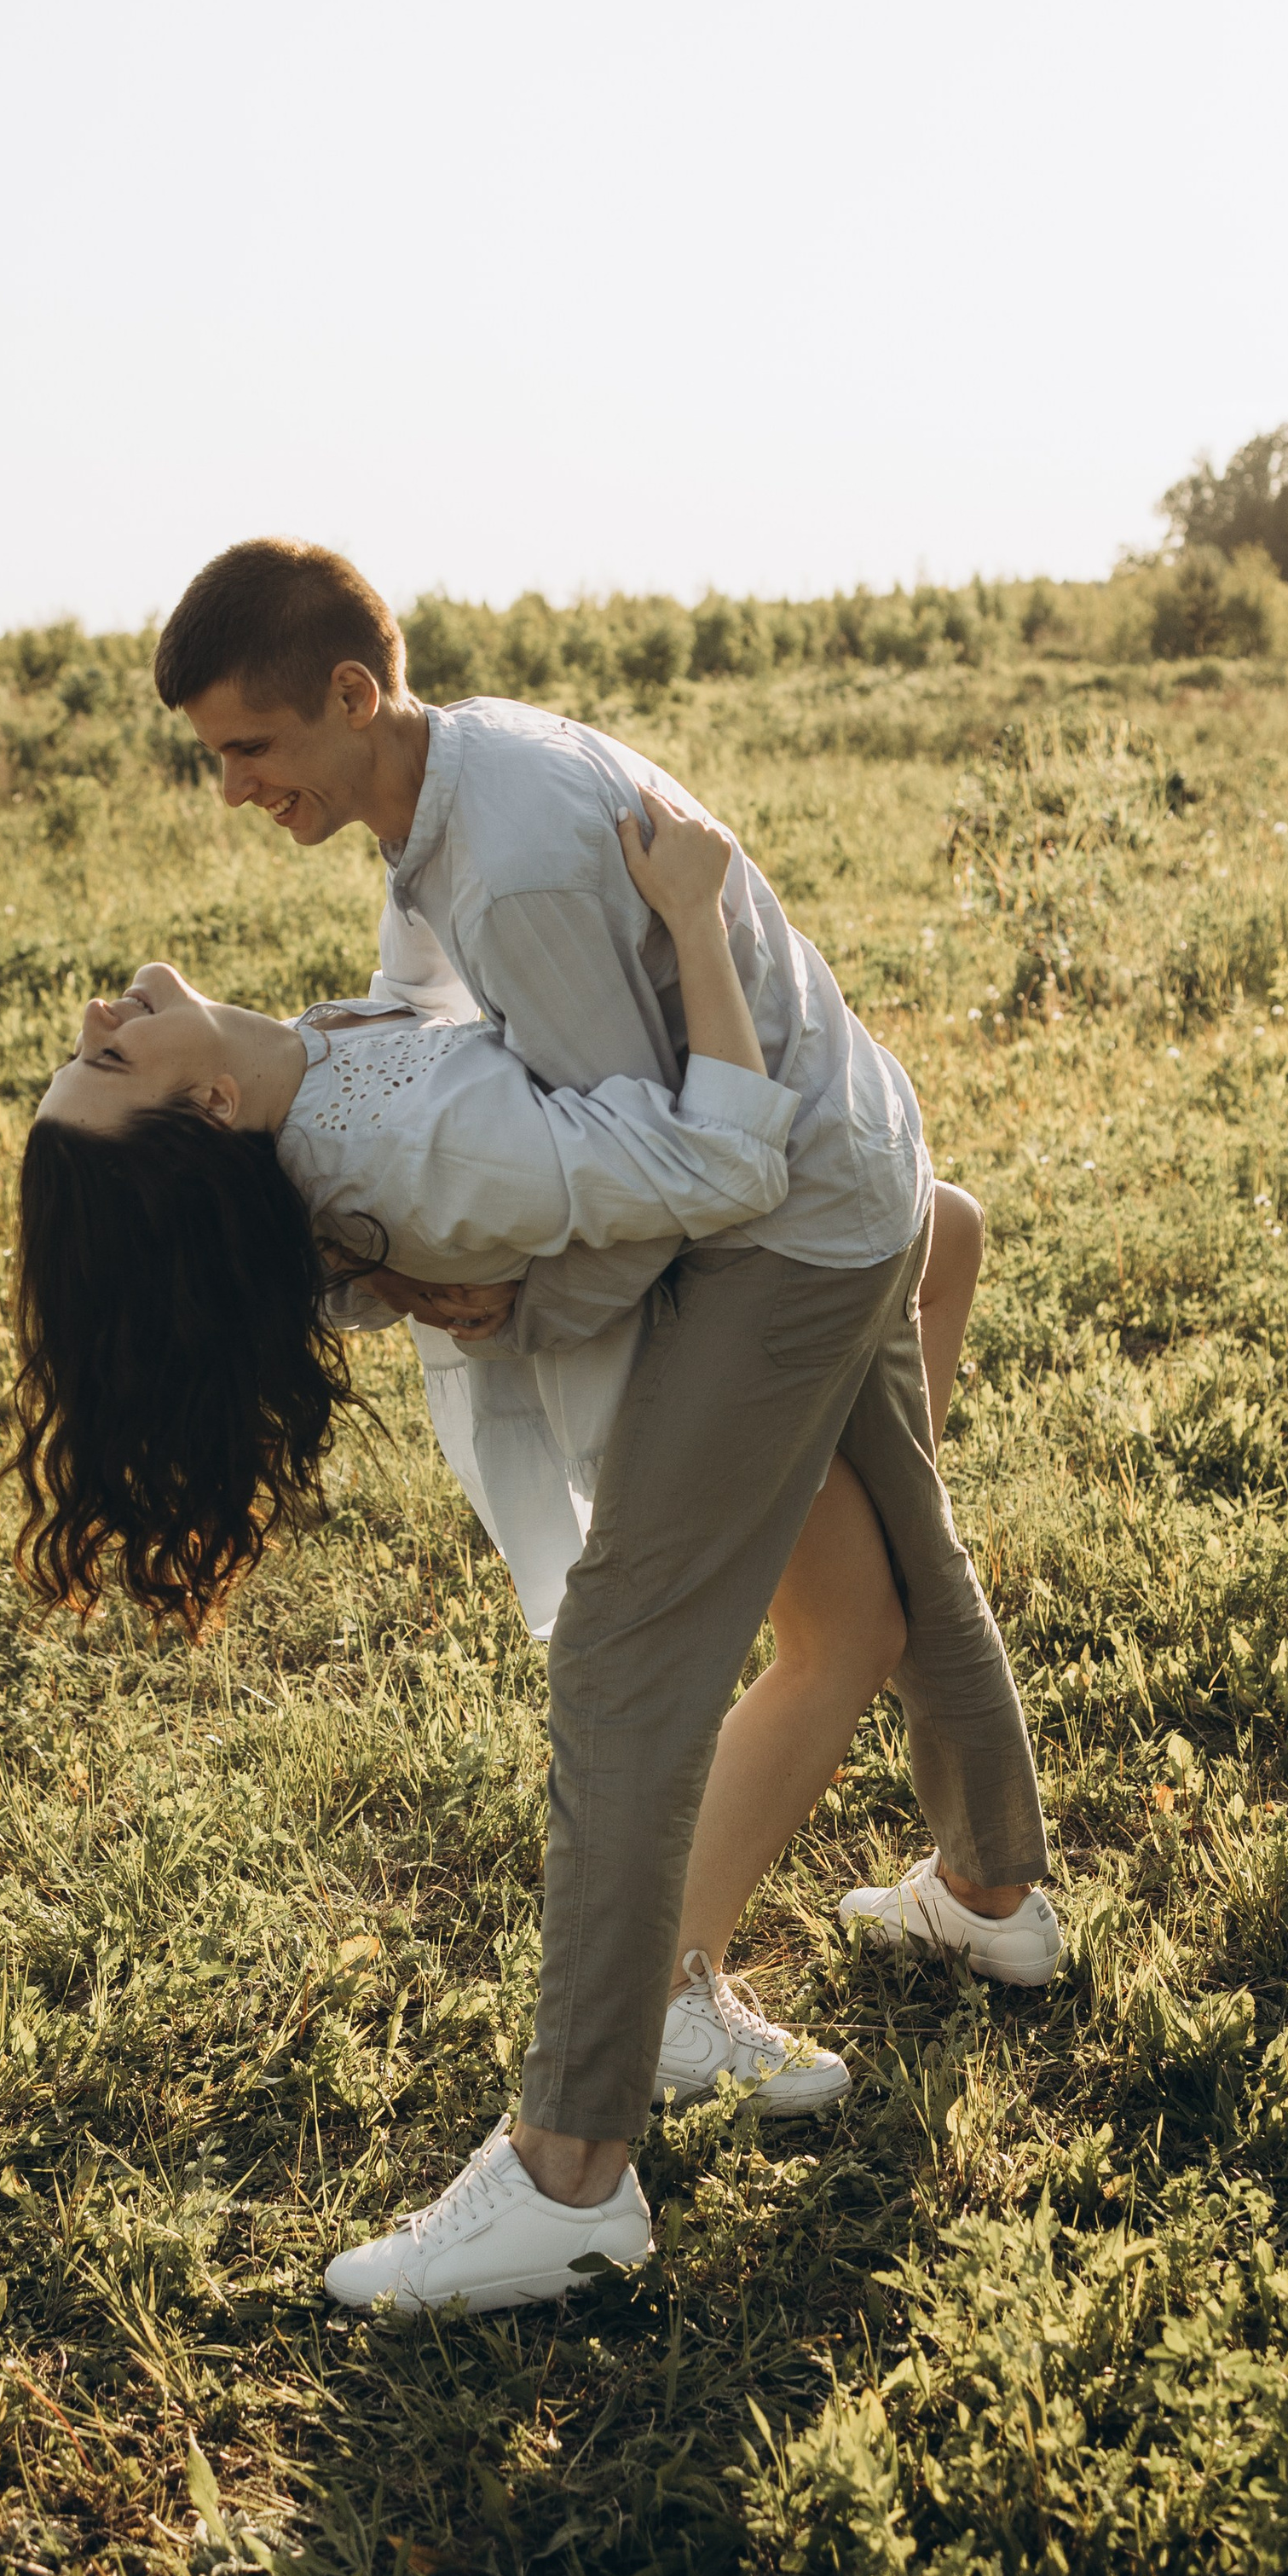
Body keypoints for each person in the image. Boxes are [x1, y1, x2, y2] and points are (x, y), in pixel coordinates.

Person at [155, 540, 1058, 2317]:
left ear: (353, 695)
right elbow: (473, 1055)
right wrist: (424, 1277)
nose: (234, 793)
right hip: (845, 1157)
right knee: (895, 1543)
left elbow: (653, 1166)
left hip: (783, 1214)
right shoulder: (448, 793)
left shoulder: (505, 862)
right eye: (211, 760)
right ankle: (993, 1891)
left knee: (628, 1650)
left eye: (250, 750)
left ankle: (571, 2165)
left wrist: (471, 1291)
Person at [8, 786, 888, 2120]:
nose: (94, 1021)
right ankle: (667, 2001)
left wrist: (413, 799)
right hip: (693, 1362)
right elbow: (720, 1165)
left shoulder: (316, 1059)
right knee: (845, 1638)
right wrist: (698, 920)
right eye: (112, 1064)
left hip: (722, 1324)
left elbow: (410, 996)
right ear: (218, 1101)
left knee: (948, 1232)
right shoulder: (410, 1148)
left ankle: (893, 1882)